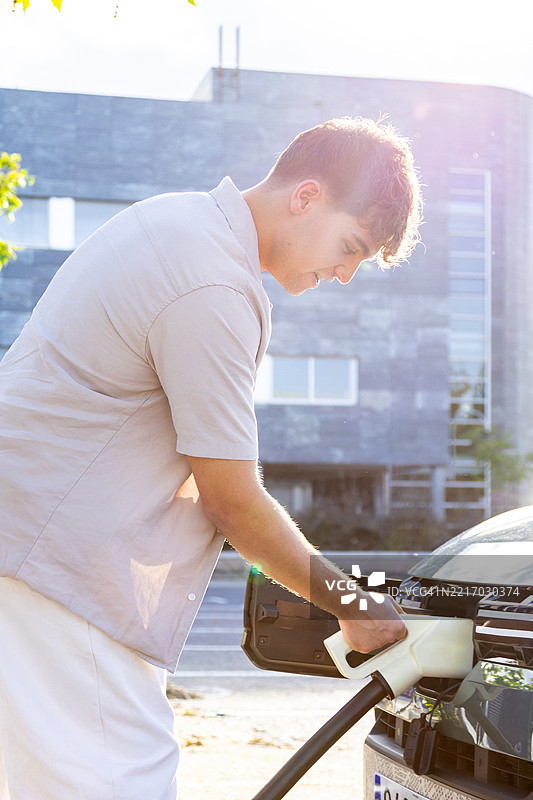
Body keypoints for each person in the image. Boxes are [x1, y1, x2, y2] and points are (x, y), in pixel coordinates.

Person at [0, 116, 422, 799]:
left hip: (26, 551)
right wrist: (352, 603)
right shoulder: (215, 288)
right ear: (305, 197)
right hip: (59, 570)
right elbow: (232, 501)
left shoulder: (172, 222)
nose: (345, 274)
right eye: (350, 246)